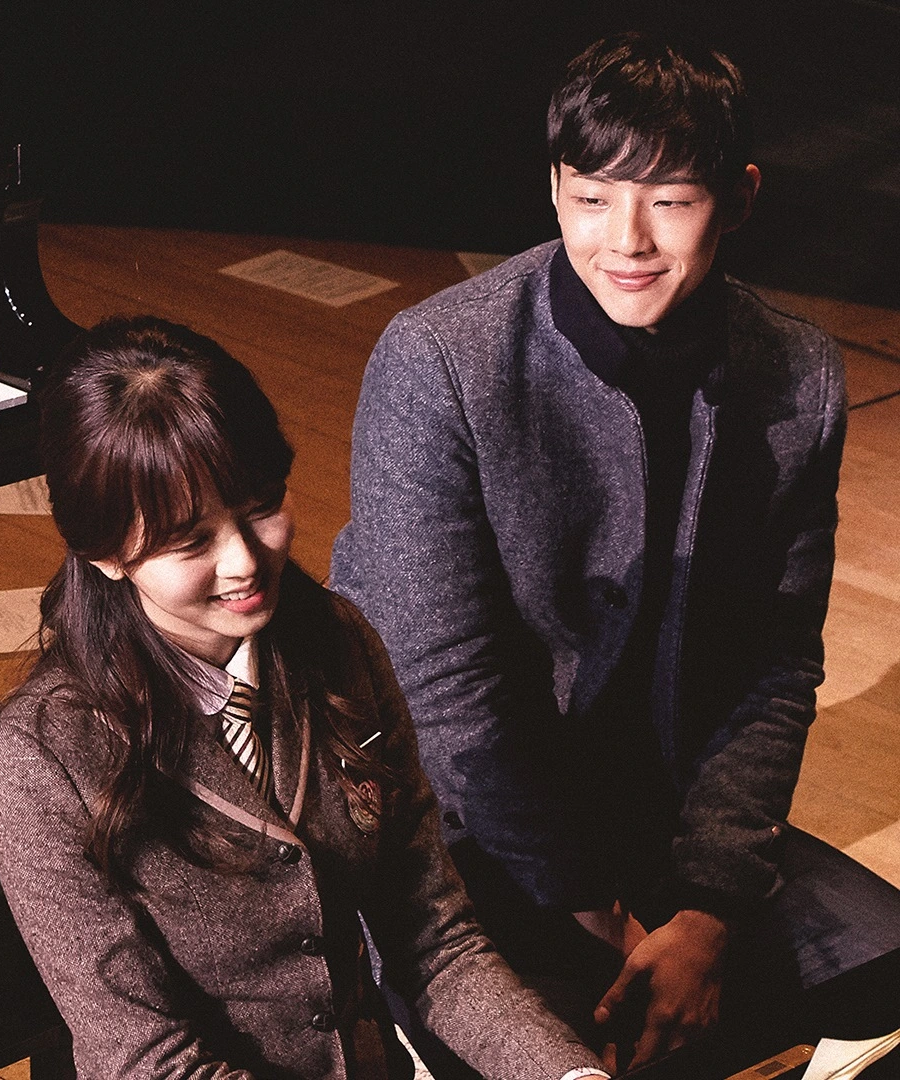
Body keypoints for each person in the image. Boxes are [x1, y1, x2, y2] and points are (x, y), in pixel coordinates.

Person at [330, 30, 900, 1074]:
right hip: (458, 831)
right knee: (565, 1045)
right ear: (554, 189)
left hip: (657, 820)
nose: (626, 239)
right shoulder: (440, 361)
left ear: (740, 198)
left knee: (886, 958)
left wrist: (709, 910)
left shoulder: (798, 373)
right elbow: (447, 700)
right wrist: (613, 922)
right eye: (592, 196)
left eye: (670, 199)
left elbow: (777, 665)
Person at [0, 316, 604, 1080]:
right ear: (104, 552)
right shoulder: (37, 759)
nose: (244, 560)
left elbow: (435, 943)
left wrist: (569, 1074)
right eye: (191, 542)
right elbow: (146, 1058)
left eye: (261, 505)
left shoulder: (337, 642)